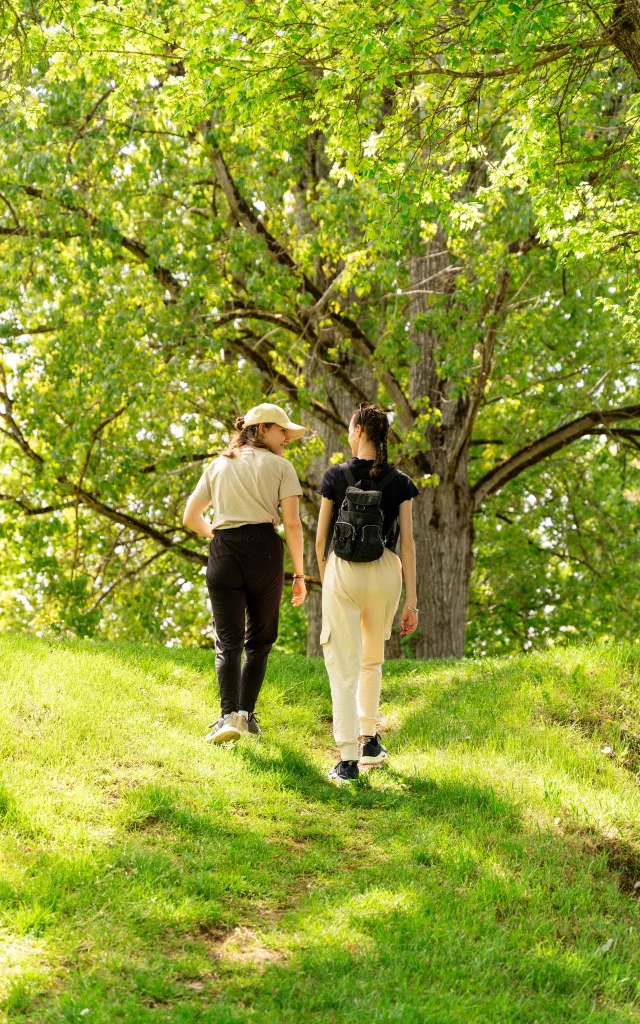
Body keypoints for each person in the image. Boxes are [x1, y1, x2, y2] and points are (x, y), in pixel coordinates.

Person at [183, 402, 307, 743]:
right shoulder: (282, 467)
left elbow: (191, 518)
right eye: (283, 431)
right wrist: (299, 575)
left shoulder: (217, 465)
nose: (287, 438)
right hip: (264, 550)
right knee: (260, 639)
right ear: (262, 429)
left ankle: (227, 717)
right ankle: (245, 716)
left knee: (228, 640)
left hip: (223, 550)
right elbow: (293, 524)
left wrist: (222, 537)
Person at [315, 402, 419, 783]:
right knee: (370, 660)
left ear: (358, 431)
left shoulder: (335, 475)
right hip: (386, 571)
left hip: (343, 571)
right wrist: (411, 600)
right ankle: (370, 742)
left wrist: (330, 578)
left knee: (342, 665)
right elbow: (407, 545)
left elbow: (320, 541)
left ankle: (346, 760)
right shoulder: (401, 482)